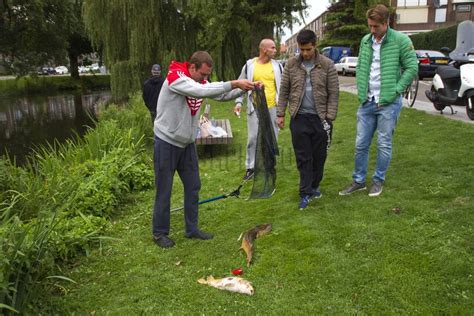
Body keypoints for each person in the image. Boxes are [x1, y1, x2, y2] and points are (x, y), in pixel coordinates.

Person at [152, 51, 256, 248]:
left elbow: (221, 93)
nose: (206, 80)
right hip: (166, 142)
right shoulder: (176, 78)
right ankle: (159, 233)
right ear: (192, 67)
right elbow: (199, 91)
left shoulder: (198, 82)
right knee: (164, 190)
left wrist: (245, 87)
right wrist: (234, 82)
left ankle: (192, 229)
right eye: (203, 75)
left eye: (208, 76)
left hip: (186, 144)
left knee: (193, 186)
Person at [339, 4, 418, 197]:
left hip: (388, 104)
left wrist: (396, 91)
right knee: (360, 144)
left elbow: (411, 68)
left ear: (386, 23)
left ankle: (377, 180)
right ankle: (358, 181)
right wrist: (360, 91)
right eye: (370, 26)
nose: (372, 30)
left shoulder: (401, 40)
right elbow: (361, 68)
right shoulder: (366, 40)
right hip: (367, 102)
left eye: (376, 27)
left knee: (384, 143)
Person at [276, 29, 339, 210]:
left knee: (319, 157)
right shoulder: (291, 65)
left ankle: (314, 186)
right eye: (302, 49)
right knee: (304, 158)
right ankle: (304, 192)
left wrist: (329, 117)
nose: (304, 53)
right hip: (299, 118)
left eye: (308, 49)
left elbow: (334, 93)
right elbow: (285, 91)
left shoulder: (327, 65)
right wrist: (280, 113)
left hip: (321, 119)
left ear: (315, 45)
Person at [234, 39, 283, 181]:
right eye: (273, 48)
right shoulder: (249, 66)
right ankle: (251, 167)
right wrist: (238, 102)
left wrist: (282, 108)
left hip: (272, 106)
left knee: (271, 137)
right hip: (254, 107)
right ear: (264, 50)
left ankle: (269, 164)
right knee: (253, 138)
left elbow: (284, 86)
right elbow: (241, 84)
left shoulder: (277, 66)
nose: (275, 50)